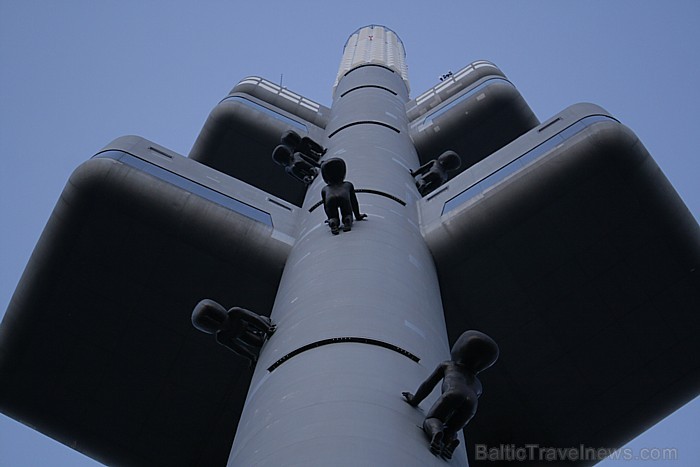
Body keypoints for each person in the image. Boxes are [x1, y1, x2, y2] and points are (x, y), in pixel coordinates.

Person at [402, 330, 499, 459]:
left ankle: (436, 432)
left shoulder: (448, 365)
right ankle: (450, 441)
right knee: (452, 428)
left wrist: (414, 400)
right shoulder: (478, 384)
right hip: (472, 403)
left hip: (453, 393)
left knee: (433, 420)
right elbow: (462, 405)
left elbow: (428, 385)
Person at [191, 299, 276, 365]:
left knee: (265, 321)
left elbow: (253, 318)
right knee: (258, 343)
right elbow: (238, 349)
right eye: (222, 326)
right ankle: (261, 330)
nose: (226, 327)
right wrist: (251, 357)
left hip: (247, 326)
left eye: (225, 323)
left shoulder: (235, 313)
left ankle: (262, 327)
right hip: (242, 333)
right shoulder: (222, 337)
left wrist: (266, 328)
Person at [320, 158, 367, 234]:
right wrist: (358, 215)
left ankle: (333, 222)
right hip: (344, 197)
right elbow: (354, 202)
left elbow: (326, 206)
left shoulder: (325, 189)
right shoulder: (348, 185)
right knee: (347, 213)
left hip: (330, 199)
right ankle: (347, 220)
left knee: (333, 216)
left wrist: (329, 218)